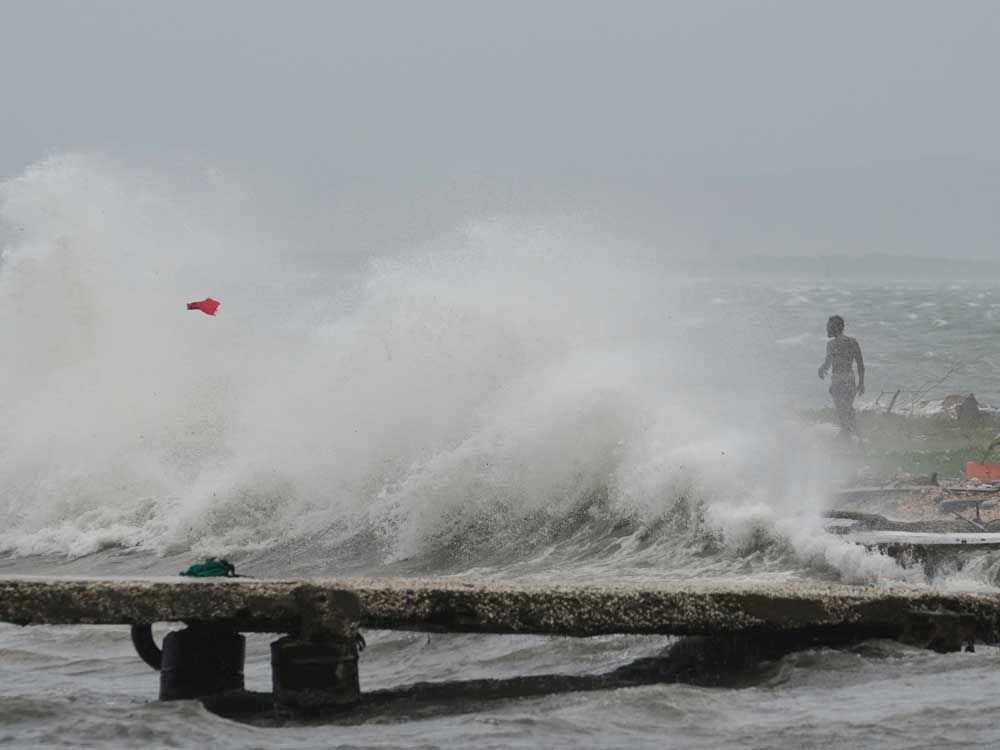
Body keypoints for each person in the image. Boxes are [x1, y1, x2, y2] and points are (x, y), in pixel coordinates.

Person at [818, 315, 865, 440]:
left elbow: (828, 361)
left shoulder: (832, 344)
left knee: (842, 411)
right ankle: (856, 436)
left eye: (828, 327)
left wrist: (821, 369)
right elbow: (860, 364)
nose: (826, 329)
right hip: (850, 379)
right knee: (848, 409)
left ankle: (847, 435)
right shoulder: (853, 342)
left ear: (834, 328)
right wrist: (861, 383)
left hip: (838, 380)